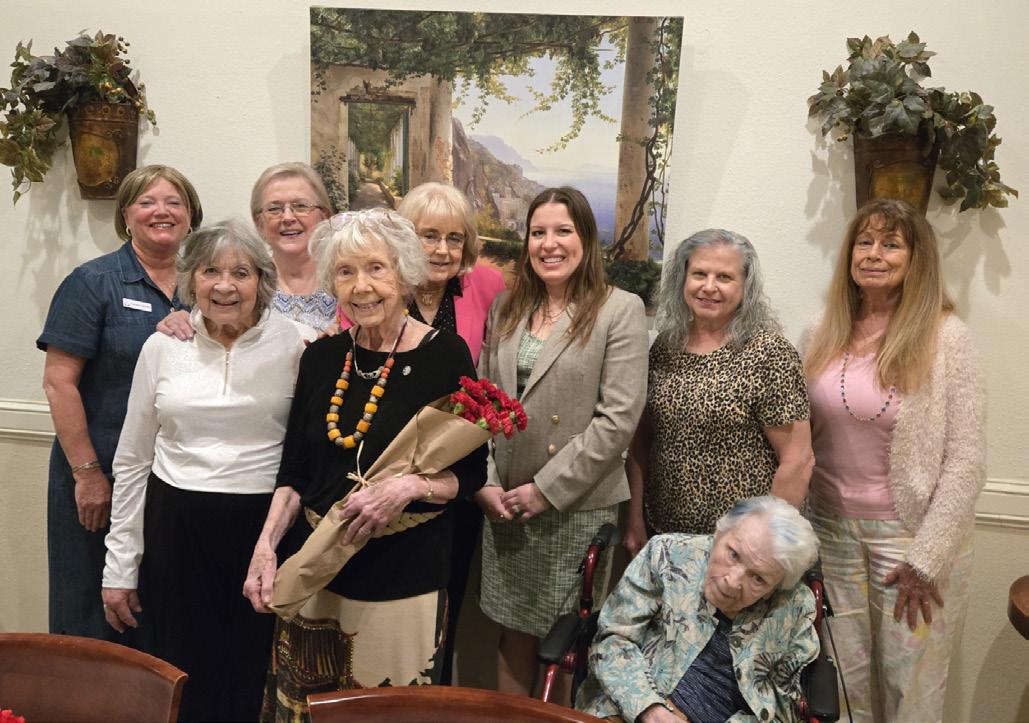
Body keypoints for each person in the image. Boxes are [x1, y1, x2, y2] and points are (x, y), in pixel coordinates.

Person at [241, 209, 487, 721]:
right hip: (315, 568)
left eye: (377, 268)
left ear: (405, 274)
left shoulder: (445, 355)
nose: (361, 286)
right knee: (307, 711)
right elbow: (294, 474)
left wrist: (408, 488)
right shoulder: (322, 358)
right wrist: (266, 547)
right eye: (345, 272)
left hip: (403, 572)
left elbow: (471, 475)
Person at [101, 220, 314, 721]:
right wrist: (120, 566)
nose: (224, 286)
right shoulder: (162, 346)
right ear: (189, 279)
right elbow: (133, 460)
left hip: (265, 532)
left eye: (241, 273)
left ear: (262, 281)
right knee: (180, 670)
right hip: (176, 526)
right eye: (210, 271)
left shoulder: (297, 344)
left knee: (254, 673)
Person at [801, 198, 985, 723]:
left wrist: (928, 557)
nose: (874, 254)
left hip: (911, 540)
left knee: (911, 688)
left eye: (891, 244)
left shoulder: (947, 338)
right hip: (830, 532)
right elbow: (794, 430)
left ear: (916, 258)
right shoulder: (821, 329)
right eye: (864, 242)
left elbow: (967, 459)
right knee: (841, 684)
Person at [476, 186, 648, 698]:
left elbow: (617, 420)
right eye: (538, 232)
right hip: (506, 504)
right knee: (511, 632)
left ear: (586, 239)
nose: (549, 244)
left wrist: (545, 490)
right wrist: (485, 482)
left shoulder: (619, 309)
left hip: (574, 505)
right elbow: (480, 402)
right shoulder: (506, 306)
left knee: (566, 645)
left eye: (563, 231)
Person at [37, 165, 202, 643]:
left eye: (173, 202)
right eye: (146, 202)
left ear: (191, 215)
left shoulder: (205, 285)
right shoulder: (92, 283)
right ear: (126, 215)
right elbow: (59, 383)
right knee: (94, 611)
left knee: (160, 612)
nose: (161, 212)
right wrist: (88, 474)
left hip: (174, 478)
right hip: (101, 474)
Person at [623, 229, 812, 559]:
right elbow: (641, 442)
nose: (709, 287)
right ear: (683, 279)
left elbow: (798, 460)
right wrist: (634, 517)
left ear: (745, 287)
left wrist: (764, 546)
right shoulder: (665, 347)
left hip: (741, 548)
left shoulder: (769, 353)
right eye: (699, 274)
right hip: (665, 537)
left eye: (724, 277)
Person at [576, 496, 821, 723]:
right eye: (733, 554)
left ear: (774, 588)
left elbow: (787, 708)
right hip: (630, 708)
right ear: (719, 533)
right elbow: (613, 638)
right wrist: (649, 709)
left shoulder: (794, 608)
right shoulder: (668, 554)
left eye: (758, 578)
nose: (732, 581)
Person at [396, 181, 505, 684]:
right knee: (392, 614)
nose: (442, 250)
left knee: (446, 606)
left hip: (459, 482)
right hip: (385, 476)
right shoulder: (379, 286)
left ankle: (435, 699)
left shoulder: (487, 286)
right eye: (429, 235)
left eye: (454, 238)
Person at [160, 161, 335, 336]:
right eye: (274, 209)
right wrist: (185, 320)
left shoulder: (344, 279)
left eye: (301, 206)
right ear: (259, 222)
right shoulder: (243, 280)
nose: (288, 217)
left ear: (324, 216)